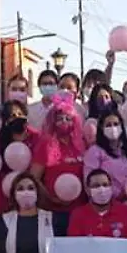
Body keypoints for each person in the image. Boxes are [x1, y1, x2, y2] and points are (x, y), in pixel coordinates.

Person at [30, 92, 87, 236]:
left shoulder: (81, 145)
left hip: (79, 210)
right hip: (53, 211)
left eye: (68, 118)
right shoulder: (46, 144)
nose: (64, 122)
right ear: (52, 121)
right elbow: (34, 178)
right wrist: (51, 199)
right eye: (59, 118)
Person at [68, 169, 127, 238]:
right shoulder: (78, 214)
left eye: (105, 185)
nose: (101, 189)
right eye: (96, 185)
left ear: (111, 187)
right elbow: (75, 245)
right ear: (87, 190)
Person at [83, 110, 127, 200]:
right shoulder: (94, 151)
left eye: (116, 124)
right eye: (108, 125)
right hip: (107, 201)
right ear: (101, 128)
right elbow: (89, 182)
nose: (113, 128)